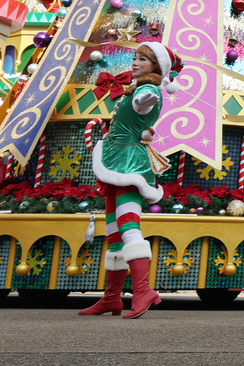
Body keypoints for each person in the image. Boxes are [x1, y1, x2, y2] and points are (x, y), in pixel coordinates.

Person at [81, 43, 180, 319]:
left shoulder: (148, 91)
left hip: (130, 164)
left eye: (143, 59)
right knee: (113, 234)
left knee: (128, 227)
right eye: (135, 58)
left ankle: (143, 291)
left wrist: (144, 97)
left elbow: (143, 103)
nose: (135, 62)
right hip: (115, 161)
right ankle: (111, 299)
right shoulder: (136, 88)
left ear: (156, 67)